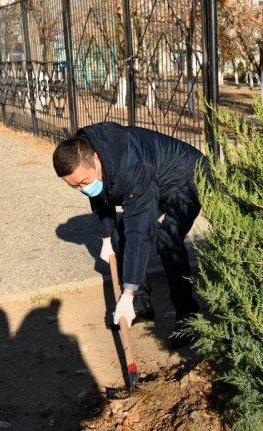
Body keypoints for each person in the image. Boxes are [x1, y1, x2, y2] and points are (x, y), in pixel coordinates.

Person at [53, 122, 205, 347]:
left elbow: (139, 231)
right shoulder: (86, 150)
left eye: (83, 183)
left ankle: (189, 318)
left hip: (188, 176)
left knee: (167, 239)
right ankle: (140, 304)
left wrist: (128, 290)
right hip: (154, 178)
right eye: (74, 187)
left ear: (95, 159)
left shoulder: (130, 168)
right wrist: (106, 236)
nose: (82, 189)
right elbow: (100, 194)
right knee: (118, 236)